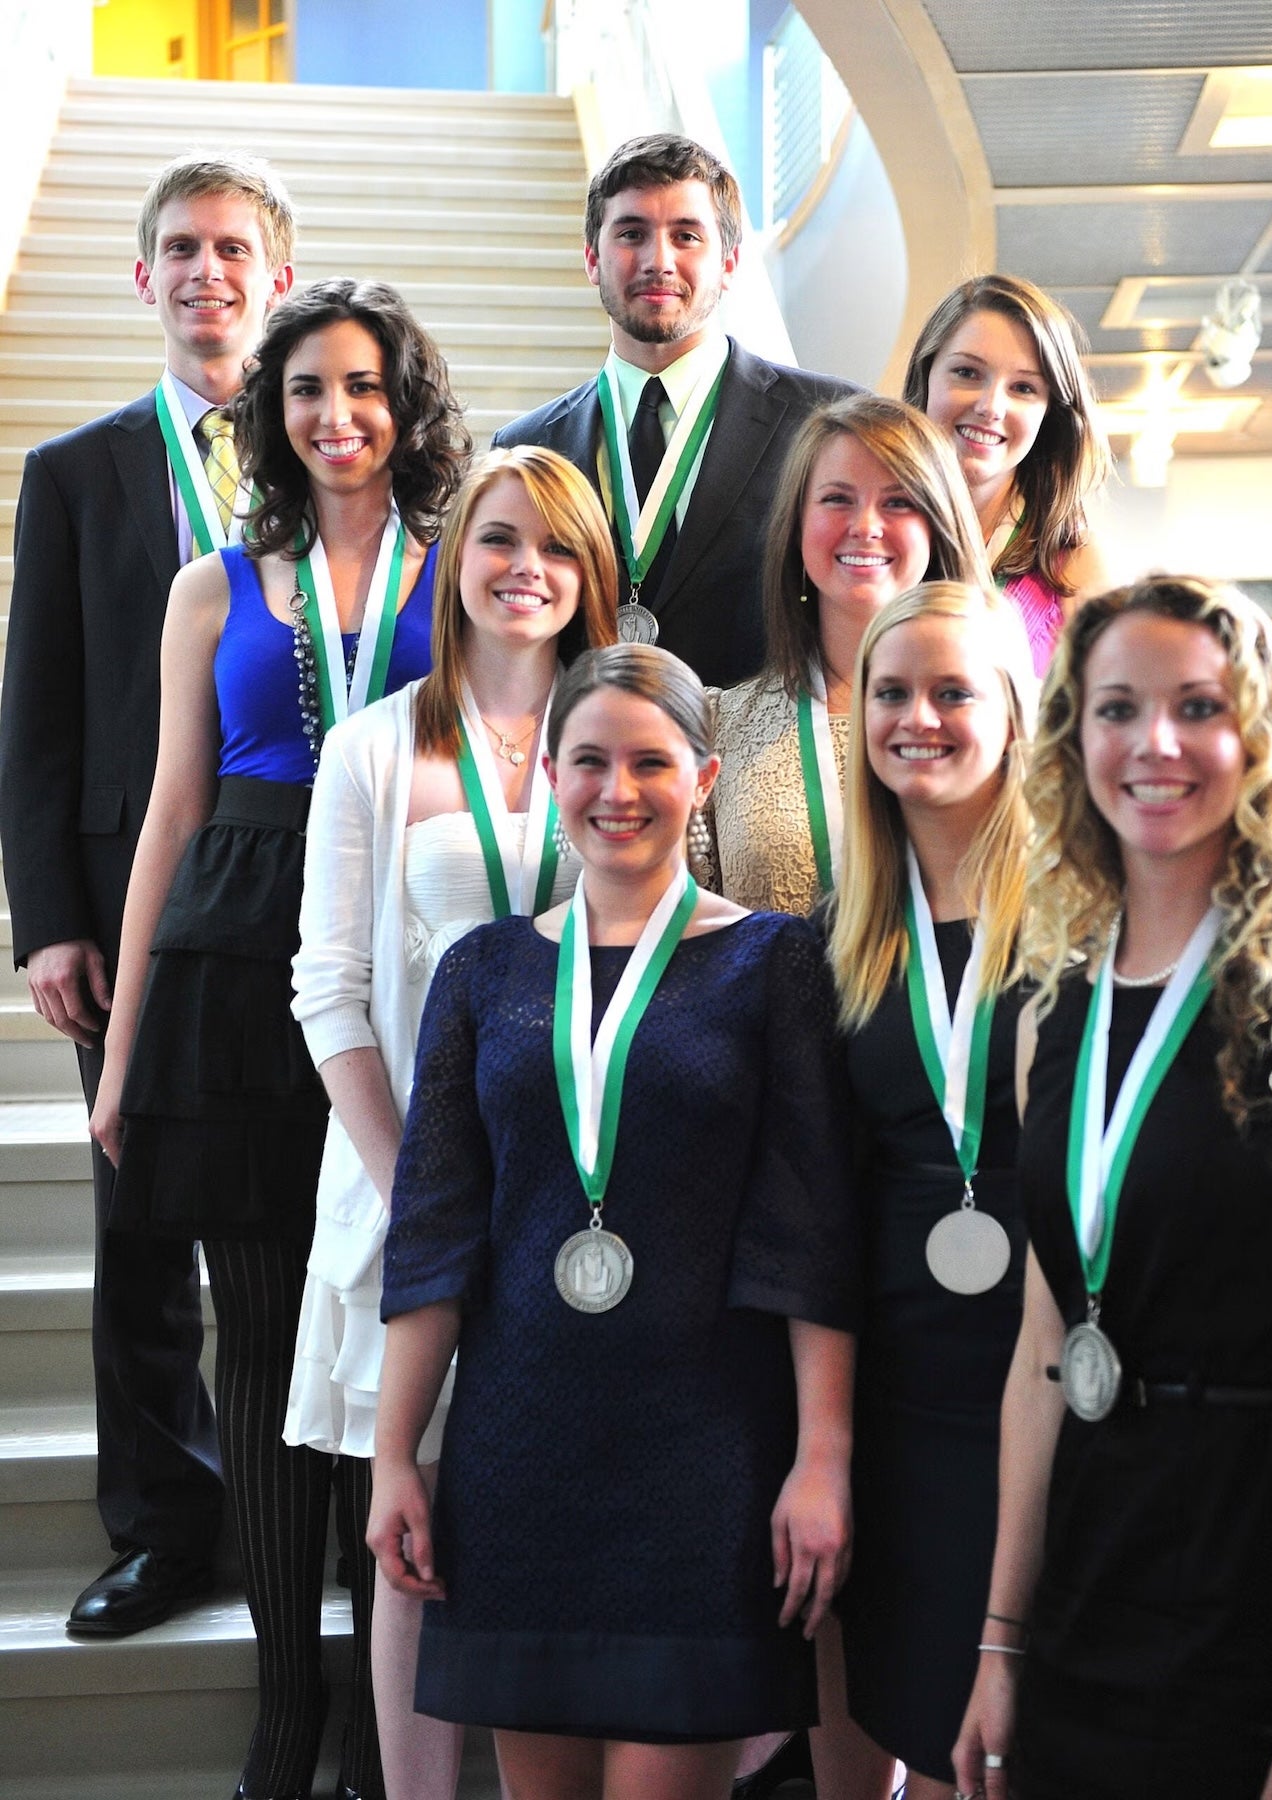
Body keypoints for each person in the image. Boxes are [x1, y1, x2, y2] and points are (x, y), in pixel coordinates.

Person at [955, 575, 1272, 1800]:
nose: (1154, 744)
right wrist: (1000, 1643)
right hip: (1090, 1570)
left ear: (1259, 739)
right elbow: (1041, 1354)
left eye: (1198, 707)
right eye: (1117, 709)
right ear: (1075, 741)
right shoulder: (1046, 1011)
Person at [89, 277, 471, 1800]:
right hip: (235, 955)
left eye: (365, 387)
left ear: (406, 404)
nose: (337, 415)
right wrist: (122, 1047)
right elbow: (171, 805)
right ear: (270, 409)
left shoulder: (460, 571)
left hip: (398, 952)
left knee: (388, 1344)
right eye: (307, 389)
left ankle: (388, 1714)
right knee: (254, 1343)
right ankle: (283, 1702)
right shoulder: (213, 582)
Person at [368, 644, 861, 1800]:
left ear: (702, 777)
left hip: (706, 1457)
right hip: (519, 1453)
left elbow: (807, 1234)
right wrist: (398, 1455)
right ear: (551, 769)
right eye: (588, 760)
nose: (618, 790)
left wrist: (822, 1459)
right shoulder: (483, 972)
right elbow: (435, 1236)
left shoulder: (774, 962)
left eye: (650, 762)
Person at [287, 445, 619, 1799]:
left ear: (591, 572)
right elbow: (331, 991)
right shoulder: (373, 747)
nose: (523, 565)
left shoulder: (627, 734)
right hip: (411, 1194)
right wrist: (421, 1189)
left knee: (571, 1502)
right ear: (454, 564)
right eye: (496, 539)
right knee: (409, 1526)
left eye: (552, 542)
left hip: (590, 1190)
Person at [0, 150, 295, 1638]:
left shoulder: (335, 458)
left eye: (235, 249)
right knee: (135, 1226)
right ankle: (168, 1524)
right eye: (180, 249)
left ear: (278, 278)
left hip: (295, 900)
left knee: (293, 1216)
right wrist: (47, 916)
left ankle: (296, 1506)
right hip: (125, 910)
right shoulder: (75, 474)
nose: (208, 273)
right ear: (143, 278)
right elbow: (33, 712)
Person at [823, 583, 1035, 1800]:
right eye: (891, 695)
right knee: (920, 1722)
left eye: (953, 692)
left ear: (1012, 710)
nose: (919, 719)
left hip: (1054, 1385)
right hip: (906, 1396)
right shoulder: (839, 935)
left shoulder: (1088, 912)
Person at [493, 132, 858, 688]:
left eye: (686, 236)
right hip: (586, 761)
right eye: (631, 234)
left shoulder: (827, 421)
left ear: (730, 262)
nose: (658, 261)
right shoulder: (526, 447)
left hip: (767, 760)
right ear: (592, 260)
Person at [707, 394, 985, 916]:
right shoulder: (720, 725)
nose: (865, 526)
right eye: (838, 498)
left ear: (938, 524)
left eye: (898, 501)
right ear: (796, 525)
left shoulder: (1000, 720)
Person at [902, 274, 1109, 676]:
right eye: (967, 373)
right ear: (926, 375)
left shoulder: (1074, 566)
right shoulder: (875, 534)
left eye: (1023, 388)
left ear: (1050, 413)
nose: (990, 406)